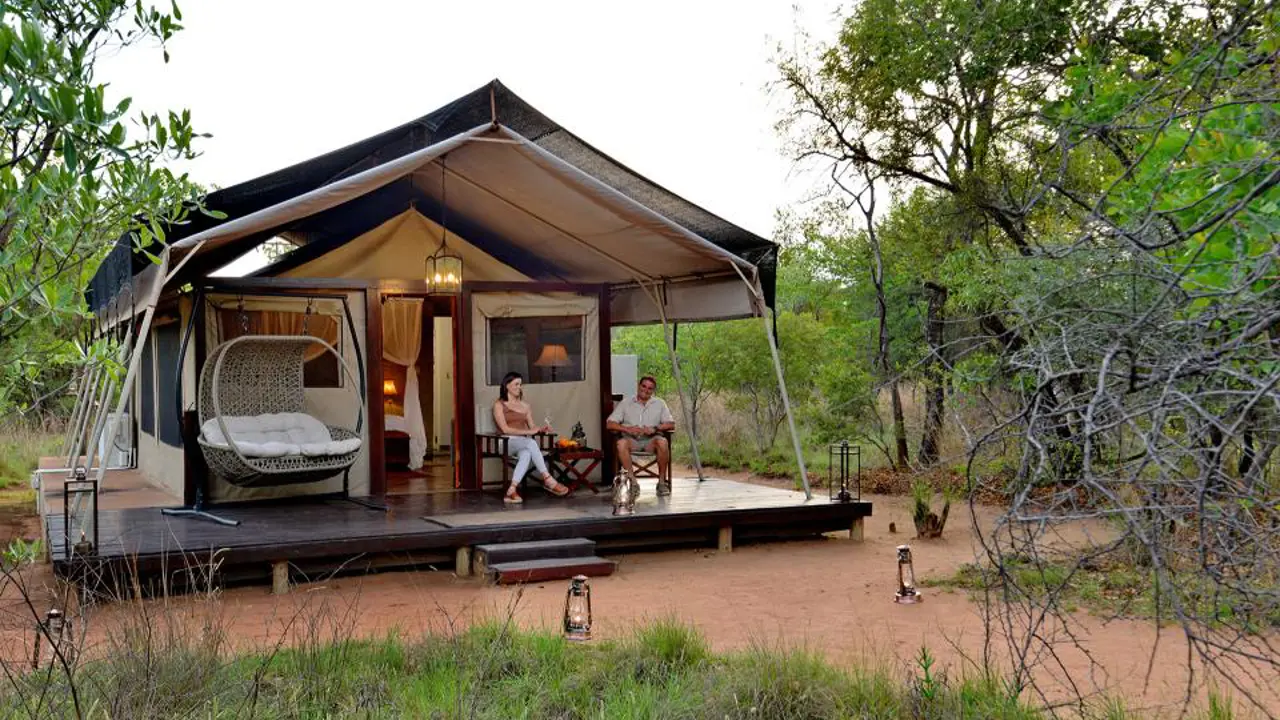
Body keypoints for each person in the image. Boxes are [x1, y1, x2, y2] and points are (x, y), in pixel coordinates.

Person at [493, 372, 570, 504]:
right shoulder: (499, 405)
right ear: (507, 386)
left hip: (522, 443)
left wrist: (541, 429)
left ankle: (511, 490)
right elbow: (505, 429)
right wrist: (528, 431)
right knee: (530, 442)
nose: (519, 387)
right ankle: (548, 479)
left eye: (520, 384)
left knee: (527, 453)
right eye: (516, 384)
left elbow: (532, 427)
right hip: (506, 442)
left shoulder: (526, 406)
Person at [606, 375, 676, 496]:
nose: (646, 390)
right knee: (620, 443)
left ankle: (661, 483)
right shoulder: (626, 402)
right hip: (631, 440)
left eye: (650, 388)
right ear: (639, 386)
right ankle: (633, 482)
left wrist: (655, 428)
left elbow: (671, 424)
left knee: (663, 442)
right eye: (644, 386)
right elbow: (610, 424)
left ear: (653, 390)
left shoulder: (659, 403)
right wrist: (627, 428)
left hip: (651, 441)